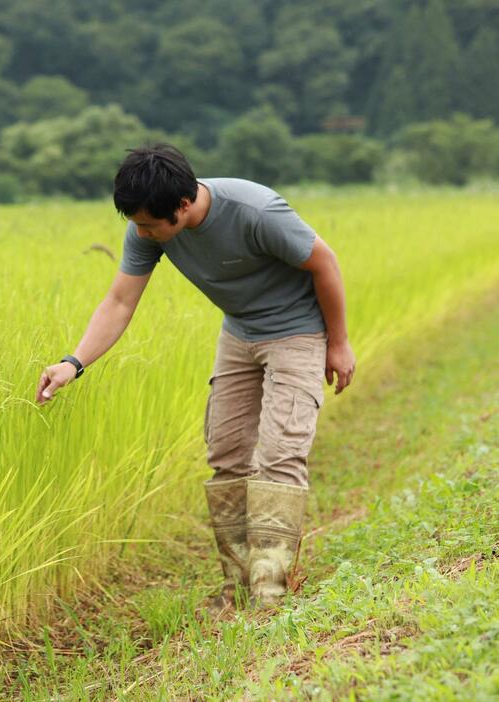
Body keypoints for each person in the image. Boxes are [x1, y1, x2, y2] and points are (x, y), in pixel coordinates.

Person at [35, 143, 356, 616]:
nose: (141, 233)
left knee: (280, 455)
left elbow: (323, 262)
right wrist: (73, 363)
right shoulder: (146, 229)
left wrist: (339, 342)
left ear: (183, 205)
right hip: (239, 333)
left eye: (148, 225)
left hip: (297, 332)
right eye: (136, 223)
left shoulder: (256, 210)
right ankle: (237, 587)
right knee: (226, 455)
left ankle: (269, 593)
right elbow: (120, 301)